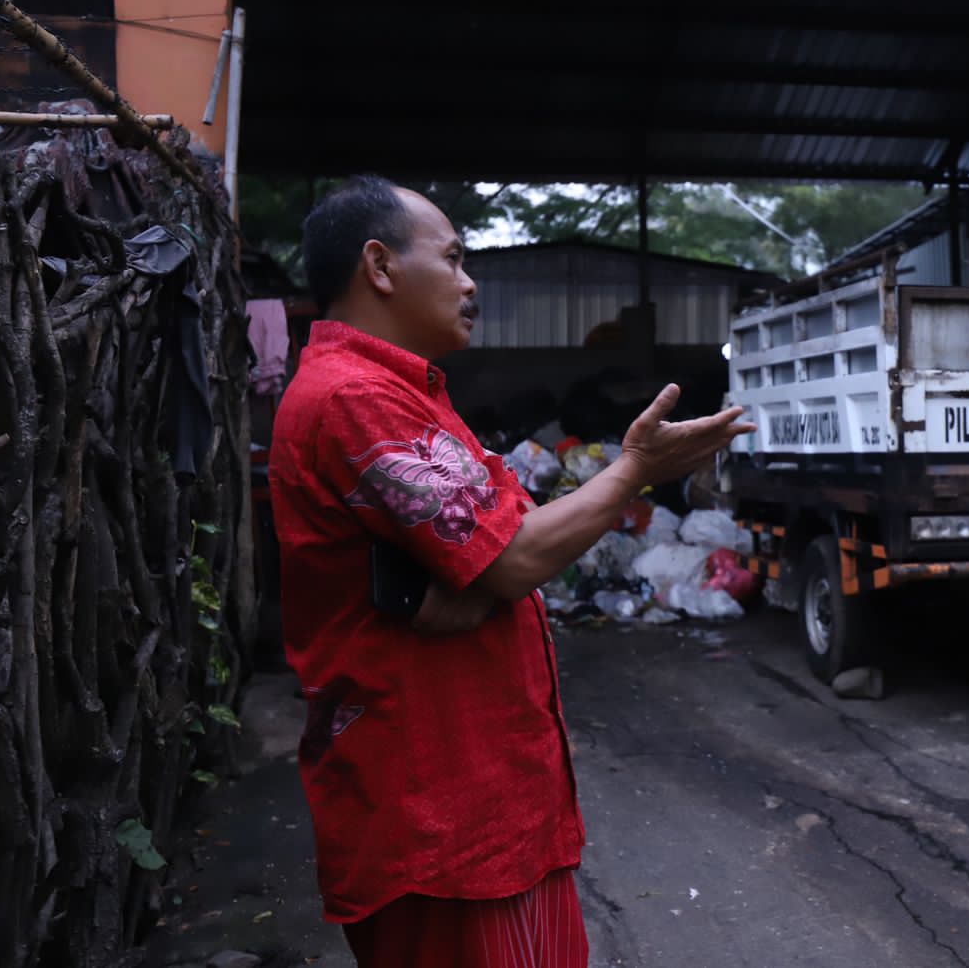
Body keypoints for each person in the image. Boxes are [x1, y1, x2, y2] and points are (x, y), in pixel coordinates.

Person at [268, 175, 752, 968]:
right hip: (440, 816)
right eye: (454, 259)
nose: (470, 283)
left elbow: (504, 549)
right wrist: (633, 471)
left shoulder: (404, 391)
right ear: (379, 266)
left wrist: (485, 578)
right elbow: (515, 556)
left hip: (479, 805)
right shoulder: (358, 398)